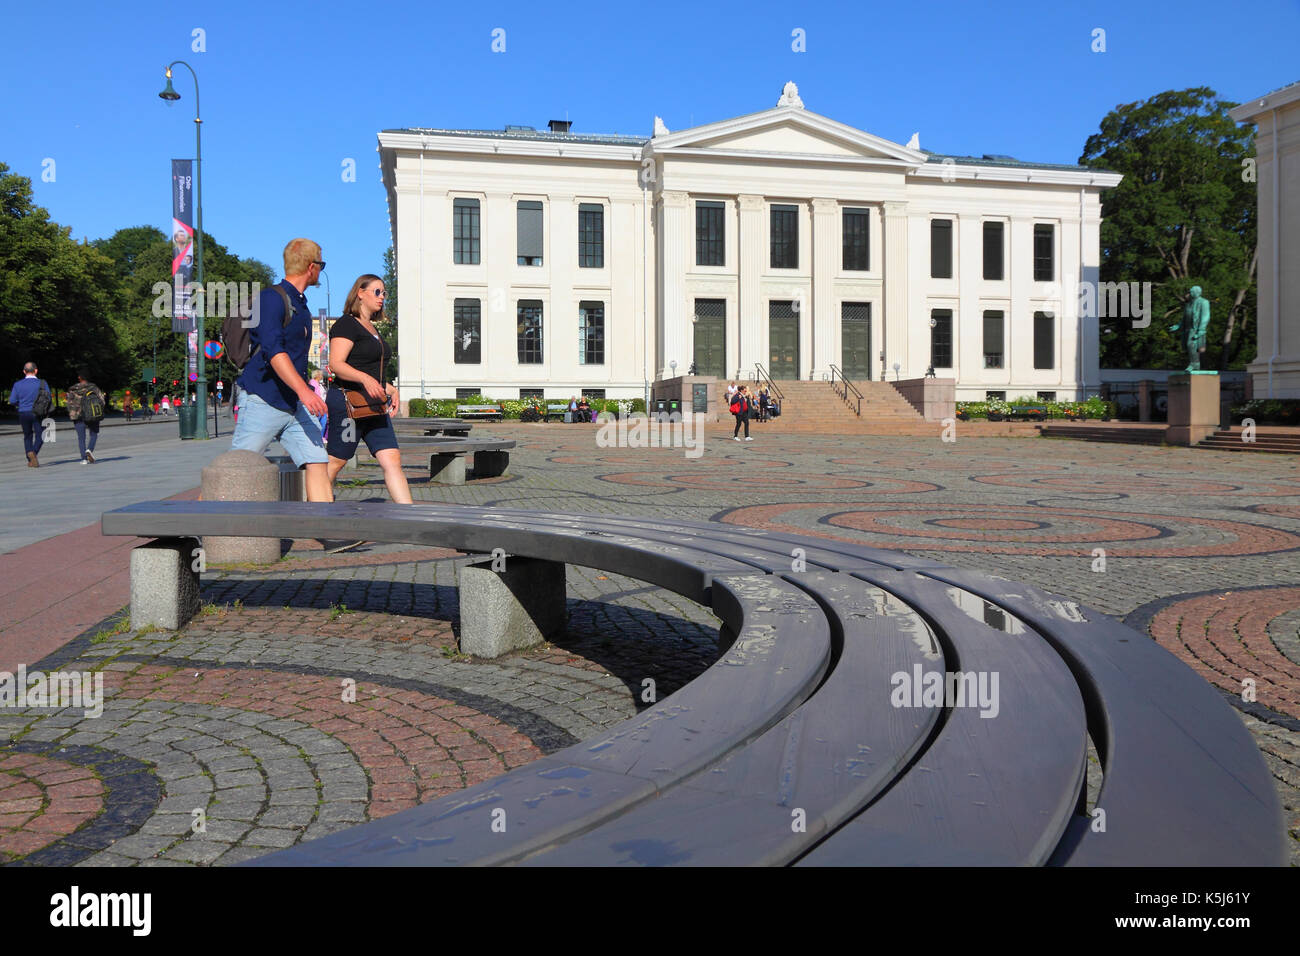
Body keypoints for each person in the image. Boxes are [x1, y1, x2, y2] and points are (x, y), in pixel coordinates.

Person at [230, 237, 332, 502]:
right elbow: (274, 352)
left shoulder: (299, 303)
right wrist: (306, 391)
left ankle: (328, 529)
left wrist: (302, 392)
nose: (321, 270)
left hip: (294, 403)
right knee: (234, 473)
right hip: (263, 399)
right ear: (312, 267)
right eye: (321, 264)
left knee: (318, 461)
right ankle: (189, 527)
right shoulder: (271, 299)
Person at [325, 273, 411, 506]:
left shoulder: (372, 327)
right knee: (337, 459)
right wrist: (365, 380)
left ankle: (410, 516)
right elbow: (337, 364)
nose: (382, 297)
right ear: (360, 293)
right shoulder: (346, 324)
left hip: (374, 406)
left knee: (392, 458)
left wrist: (390, 389)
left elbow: (370, 369)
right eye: (377, 291)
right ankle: (314, 505)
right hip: (349, 406)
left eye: (384, 293)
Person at [10, 361, 48, 467]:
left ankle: (30, 458)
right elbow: (48, 398)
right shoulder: (43, 383)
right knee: (40, 435)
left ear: (24, 371)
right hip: (38, 413)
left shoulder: (17, 384)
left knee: (27, 436)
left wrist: (21, 404)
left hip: (23, 412)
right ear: (36, 371)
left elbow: (12, 400)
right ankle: (34, 453)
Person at [67, 369, 106, 464]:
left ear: (79, 378)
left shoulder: (73, 389)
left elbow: (69, 403)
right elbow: (102, 401)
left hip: (78, 416)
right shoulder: (93, 387)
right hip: (92, 414)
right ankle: (89, 449)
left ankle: (83, 459)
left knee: (81, 438)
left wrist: (73, 413)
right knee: (93, 434)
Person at [309, 370, 328, 437]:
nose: (322, 376)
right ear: (317, 375)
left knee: (323, 422)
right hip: (317, 406)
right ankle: (316, 437)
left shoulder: (320, 384)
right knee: (317, 422)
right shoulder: (312, 382)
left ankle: (321, 436)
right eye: (321, 375)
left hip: (323, 406)